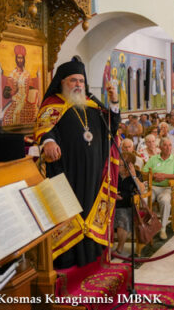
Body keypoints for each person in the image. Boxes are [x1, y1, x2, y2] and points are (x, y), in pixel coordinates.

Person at [34, 58, 120, 268]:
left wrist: (114, 102)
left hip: (94, 172)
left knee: (90, 208)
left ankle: (92, 254)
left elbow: (112, 127)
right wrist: (49, 141)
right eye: (73, 80)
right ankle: (67, 257)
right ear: (62, 82)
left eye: (81, 80)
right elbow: (44, 129)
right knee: (70, 209)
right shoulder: (52, 105)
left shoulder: (91, 105)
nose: (78, 85)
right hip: (67, 171)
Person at [114, 152, 146, 255]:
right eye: (117, 164)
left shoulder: (136, 174)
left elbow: (142, 190)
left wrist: (134, 176)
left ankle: (120, 248)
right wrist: (113, 195)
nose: (117, 167)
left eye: (120, 165)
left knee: (122, 218)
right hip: (113, 203)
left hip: (128, 206)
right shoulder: (114, 173)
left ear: (128, 166)